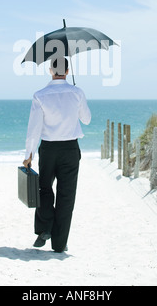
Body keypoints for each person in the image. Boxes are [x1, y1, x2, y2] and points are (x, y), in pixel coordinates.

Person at [23, 56, 91, 253]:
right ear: (68, 71)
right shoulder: (77, 92)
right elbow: (86, 119)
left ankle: (45, 228)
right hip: (70, 150)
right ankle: (59, 244)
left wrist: (29, 154)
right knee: (66, 196)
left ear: (50, 71)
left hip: (49, 149)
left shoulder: (40, 95)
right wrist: (77, 99)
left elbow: (33, 128)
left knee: (43, 189)